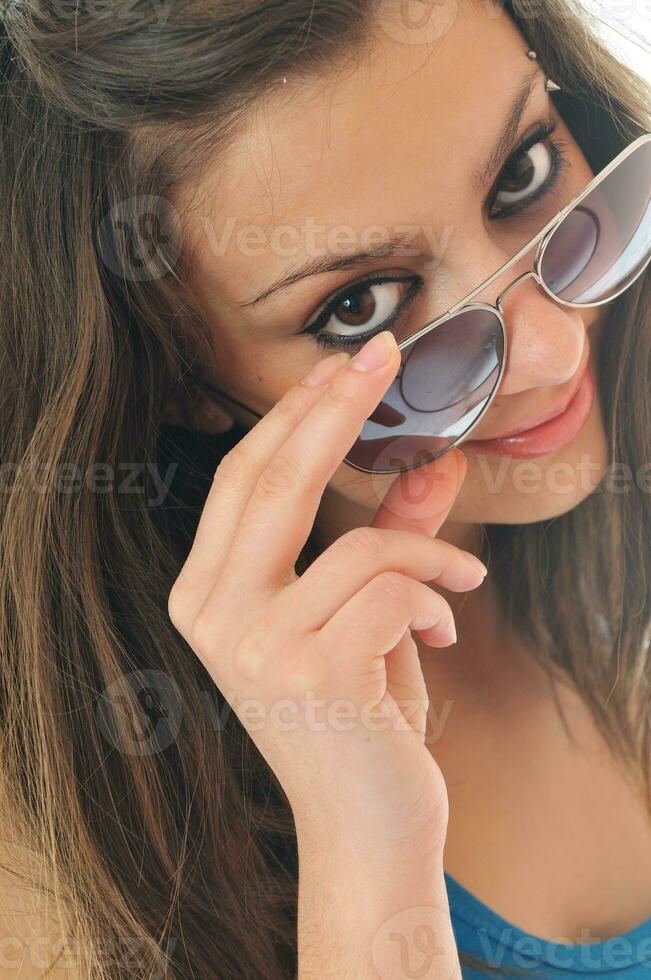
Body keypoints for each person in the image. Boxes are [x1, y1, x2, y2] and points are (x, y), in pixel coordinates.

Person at [0, 0, 649, 976]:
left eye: (522, 171)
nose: (555, 348)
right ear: (180, 377)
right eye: (363, 304)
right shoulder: (57, 856)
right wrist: (365, 854)